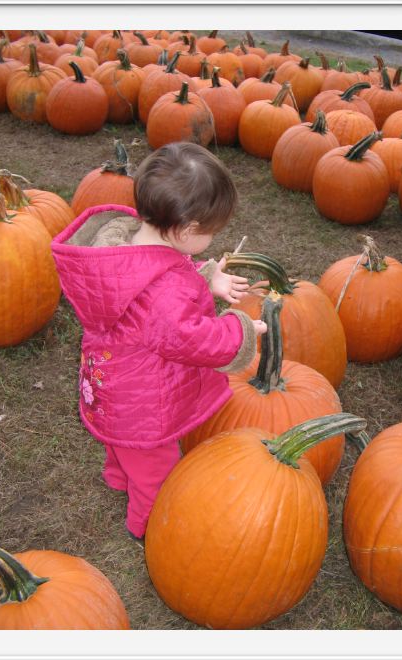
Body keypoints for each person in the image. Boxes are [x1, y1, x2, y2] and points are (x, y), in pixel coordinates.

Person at [51, 142, 267, 542]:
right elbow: (190, 336)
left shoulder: (123, 249)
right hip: (144, 404)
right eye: (211, 233)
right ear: (186, 231)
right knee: (156, 469)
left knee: (122, 444)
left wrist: (206, 275)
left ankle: (117, 476)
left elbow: (158, 287)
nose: (214, 238)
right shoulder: (165, 292)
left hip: (112, 388)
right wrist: (241, 332)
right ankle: (148, 527)